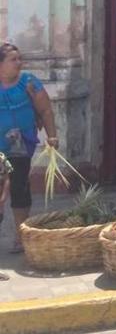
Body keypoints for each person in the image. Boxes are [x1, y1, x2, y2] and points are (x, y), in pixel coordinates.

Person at [0, 42, 60, 252]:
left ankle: (20, 237)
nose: (19, 63)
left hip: (21, 145)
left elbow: (45, 110)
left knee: (19, 188)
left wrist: (52, 136)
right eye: (13, 60)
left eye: (19, 58)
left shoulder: (29, 83)